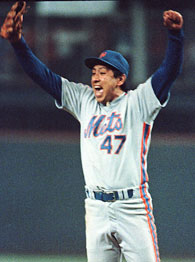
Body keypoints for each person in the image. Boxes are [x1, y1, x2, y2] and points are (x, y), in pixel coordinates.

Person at [0, 2, 184, 262]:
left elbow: (168, 73)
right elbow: (44, 77)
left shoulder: (138, 103)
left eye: (103, 73)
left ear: (120, 79)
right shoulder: (84, 100)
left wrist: (175, 36)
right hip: (95, 207)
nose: (95, 78)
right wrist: (18, 43)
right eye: (94, 72)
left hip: (132, 206)